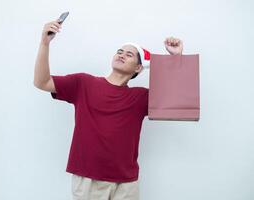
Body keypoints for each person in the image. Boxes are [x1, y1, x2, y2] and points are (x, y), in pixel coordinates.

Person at [34, 19, 183, 200]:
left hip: (127, 184)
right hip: (89, 179)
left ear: (138, 67)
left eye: (129, 54)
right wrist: (44, 42)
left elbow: (176, 100)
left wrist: (176, 59)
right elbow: (42, 82)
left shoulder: (140, 97)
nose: (121, 55)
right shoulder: (84, 83)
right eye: (119, 52)